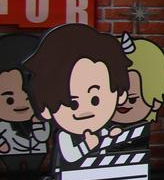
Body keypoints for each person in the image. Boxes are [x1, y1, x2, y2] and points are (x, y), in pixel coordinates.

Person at [25, 23, 130, 170]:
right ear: (46, 109)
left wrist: (114, 136)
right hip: (67, 178)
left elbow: (109, 144)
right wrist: (86, 146)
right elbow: (70, 156)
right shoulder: (65, 136)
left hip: (97, 176)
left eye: (95, 100)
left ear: (120, 94)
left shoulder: (101, 129)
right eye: (73, 104)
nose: (84, 110)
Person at [99, 33, 164, 157]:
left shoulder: (140, 129)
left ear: (155, 102)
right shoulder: (99, 127)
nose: (122, 102)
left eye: (132, 99)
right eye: (115, 96)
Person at [0, 33, 44, 167]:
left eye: (28, 97)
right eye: (9, 100)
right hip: (11, 156)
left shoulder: (41, 122)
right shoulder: (3, 127)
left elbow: (42, 137)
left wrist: (37, 124)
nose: (20, 104)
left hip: (38, 153)